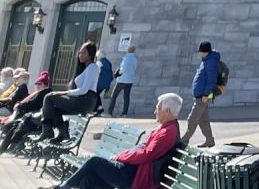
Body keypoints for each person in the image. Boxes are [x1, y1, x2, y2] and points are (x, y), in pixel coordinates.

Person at [50, 91, 182, 189]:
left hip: (135, 175)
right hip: (133, 170)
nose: (155, 112)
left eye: (158, 109)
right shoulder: (166, 128)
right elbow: (145, 147)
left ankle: (63, 187)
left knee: (94, 162)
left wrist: (121, 156)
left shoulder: (167, 132)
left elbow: (147, 154)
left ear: (168, 111)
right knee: (88, 180)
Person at [41, 43, 102, 141]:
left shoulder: (93, 67)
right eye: (80, 53)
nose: (80, 55)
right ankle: (63, 133)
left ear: (90, 55)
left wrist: (63, 93)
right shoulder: (86, 68)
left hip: (85, 100)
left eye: (84, 53)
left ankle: (47, 130)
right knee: (55, 108)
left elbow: (84, 90)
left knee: (49, 97)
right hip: (80, 100)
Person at [0, 72, 53, 152]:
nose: (37, 86)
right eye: (36, 84)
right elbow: (29, 102)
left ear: (45, 85)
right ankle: (6, 147)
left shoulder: (45, 94)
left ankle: (11, 146)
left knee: (15, 127)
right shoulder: (39, 93)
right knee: (11, 126)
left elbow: (35, 105)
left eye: (40, 84)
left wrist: (20, 105)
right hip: (30, 119)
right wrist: (20, 104)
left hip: (37, 122)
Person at [182, 41, 220, 147]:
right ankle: (209, 140)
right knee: (203, 120)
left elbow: (211, 80)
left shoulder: (211, 62)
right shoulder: (206, 61)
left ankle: (184, 140)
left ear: (204, 52)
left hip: (203, 96)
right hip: (200, 95)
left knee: (192, 118)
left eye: (200, 51)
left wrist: (206, 94)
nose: (199, 54)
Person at [109, 45, 138, 117]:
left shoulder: (127, 58)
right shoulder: (135, 59)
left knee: (114, 95)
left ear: (128, 50)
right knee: (126, 97)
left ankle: (110, 112)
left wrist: (118, 73)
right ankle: (124, 113)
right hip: (130, 80)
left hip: (122, 80)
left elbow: (123, 68)